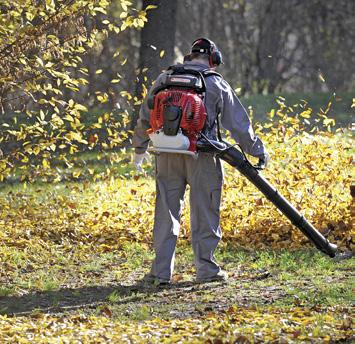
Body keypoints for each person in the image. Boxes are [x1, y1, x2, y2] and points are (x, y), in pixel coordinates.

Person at [132, 38, 269, 285]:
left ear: (189, 57)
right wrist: (257, 150)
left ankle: (160, 273)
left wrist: (139, 148)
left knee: (166, 212)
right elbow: (238, 124)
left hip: (166, 153)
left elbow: (145, 115)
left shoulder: (164, 79)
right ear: (213, 60)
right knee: (205, 211)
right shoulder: (216, 82)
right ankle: (207, 270)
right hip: (202, 156)